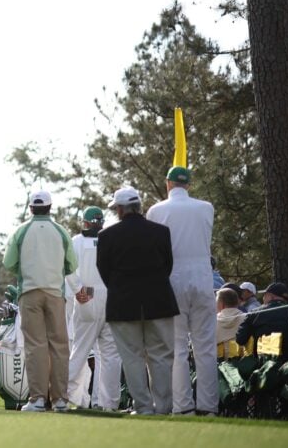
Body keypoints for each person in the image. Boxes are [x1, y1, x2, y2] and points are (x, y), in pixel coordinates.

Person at [96, 186, 179, 416]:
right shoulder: (161, 232)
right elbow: (167, 266)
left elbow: (105, 272)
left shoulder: (106, 236)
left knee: (132, 358)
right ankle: (163, 408)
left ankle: (143, 407)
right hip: (159, 302)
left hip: (123, 305)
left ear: (120, 209)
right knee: (161, 356)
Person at [146, 166, 217, 416]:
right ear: (188, 184)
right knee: (205, 346)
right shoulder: (206, 207)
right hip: (202, 279)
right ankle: (208, 406)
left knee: (176, 347)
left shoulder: (156, 210)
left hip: (173, 280)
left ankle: (183, 406)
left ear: (167, 184)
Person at [3, 190, 77, 413]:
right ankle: (60, 400)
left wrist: (24, 271)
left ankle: (37, 400)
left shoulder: (21, 231)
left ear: (31, 208)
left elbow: (9, 263)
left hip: (29, 293)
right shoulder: (61, 231)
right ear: (50, 207)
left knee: (36, 347)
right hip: (55, 294)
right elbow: (72, 266)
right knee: (59, 347)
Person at [65, 206, 121, 410]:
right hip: (110, 295)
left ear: (85, 222)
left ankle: (62, 396)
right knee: (111, 354)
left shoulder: (76, 242)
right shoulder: (113, 240)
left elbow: (68, 269)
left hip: (86, 294)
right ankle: (109, 403)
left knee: (80, 350)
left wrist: (79, 290)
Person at [236, 282, 288, 360]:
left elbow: (240, 339)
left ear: (271, 296)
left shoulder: (254, 313)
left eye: (265, 295)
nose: (263, 298)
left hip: (262, 365)